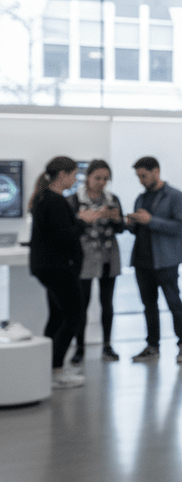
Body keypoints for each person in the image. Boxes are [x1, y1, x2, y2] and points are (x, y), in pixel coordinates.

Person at [28, 156, 102, 389]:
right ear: (62, 175)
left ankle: (47, 367)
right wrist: (84, 222)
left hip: (50, 268)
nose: (75, 179)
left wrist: (78, 219)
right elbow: (64, 236)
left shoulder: (45, 198)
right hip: (59, 268)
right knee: (74, 316)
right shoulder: (55, 201)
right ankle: (57, 370)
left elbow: (58, 229)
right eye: (73, 175)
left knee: (57, 317)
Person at [125, 156, 182, 364]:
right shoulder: (140, 198)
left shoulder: (176, 197)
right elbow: (138, 230)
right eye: (138, 176)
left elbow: (179, 227)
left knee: (174, 303)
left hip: (166, 261)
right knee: (149, 305)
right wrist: (130, 222)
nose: (141, 180)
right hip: (142, 261)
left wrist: (151, 220)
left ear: (156, 172)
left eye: (143, 175)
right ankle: (152, 346)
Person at [67, 159, 125, 363]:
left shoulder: (112, 199)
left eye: (105, 179)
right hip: (83, 258)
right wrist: (84, 219)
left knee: (107, 303)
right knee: (81, 304)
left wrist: (117, 219)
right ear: (88, 178)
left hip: (108, 257)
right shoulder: (74, 200)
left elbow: (121, 228)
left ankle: (107, 345)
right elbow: (68, 230)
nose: (101, 182)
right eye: (97, 178)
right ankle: (80, 347)